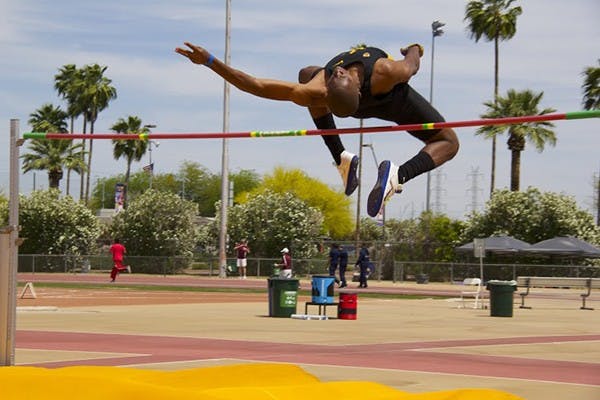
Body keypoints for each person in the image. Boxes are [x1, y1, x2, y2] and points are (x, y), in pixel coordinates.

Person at [175, 42, 459, 217]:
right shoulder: (322, 87)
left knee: (304, 74)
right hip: (390, 102)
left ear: (349, 82)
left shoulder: (324, 86)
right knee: (447, 142)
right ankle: (390, 172)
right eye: (335, 75)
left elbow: (409, 67)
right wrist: (414, 49)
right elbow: (254, 85)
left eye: (339, 74)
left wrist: (413, 51)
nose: (337, 71)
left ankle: (350, 161)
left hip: (388, 99)